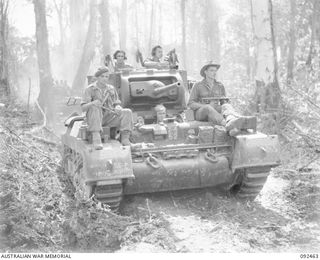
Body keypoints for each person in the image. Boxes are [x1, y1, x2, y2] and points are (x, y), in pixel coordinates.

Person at [188, 62, 256, 136]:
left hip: (215, 111)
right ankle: (227, 125)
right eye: (211, 70)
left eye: (215, 71)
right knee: (208, 108)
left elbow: (224, 102)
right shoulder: (198, 85)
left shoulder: (219, 85)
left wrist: (225, 102)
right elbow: (191, 103)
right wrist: (205, 105)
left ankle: (234, 120)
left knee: (226, 106)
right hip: (201, 113)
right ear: (205, 72)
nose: (214, 73)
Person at [81, 67, 133, 149]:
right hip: (94, 119)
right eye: (102, 76)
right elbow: (83, 107)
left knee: (127, 112)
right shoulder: (90, 89)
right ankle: (96, 138)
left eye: (106, 77)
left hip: (109, 118)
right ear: (97, 77)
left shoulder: (111, 89)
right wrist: (93, 103)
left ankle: (125, 138)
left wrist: (118, 107)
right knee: (95, 108)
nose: (105, 79)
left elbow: (117, 102)